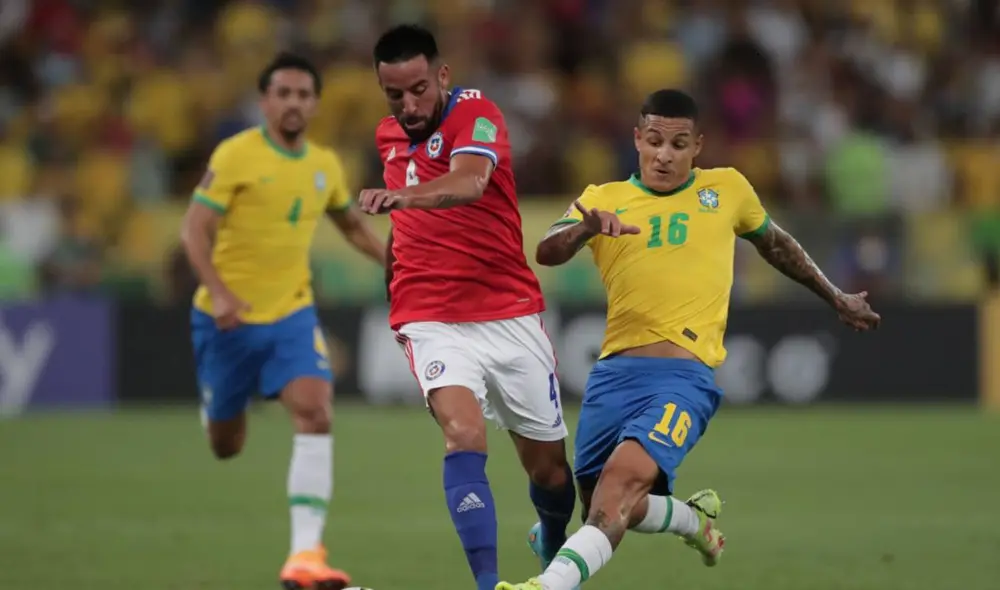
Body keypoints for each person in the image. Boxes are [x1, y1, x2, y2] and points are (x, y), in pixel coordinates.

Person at [497, 89, 881, 590]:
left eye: (678, 144)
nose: (665, 155)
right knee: (604, 507)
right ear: (637, 139)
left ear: (697, 146)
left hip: (683, 379)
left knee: (616, 494)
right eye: (655, 141)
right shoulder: (603, 198)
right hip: (613, 376)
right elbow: (547, 250)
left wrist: (836, 296)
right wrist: (582, 231)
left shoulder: (727, 189)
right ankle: (691, 520)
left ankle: (546, 586)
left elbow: (777, 244)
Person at [358, 24, 577, 590]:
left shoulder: (478, 113)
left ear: (442, 76)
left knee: (551, 474)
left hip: (507, 311)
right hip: (429, 315)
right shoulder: (387, 136)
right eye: (394, 95)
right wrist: (392, 274)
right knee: (463, 434)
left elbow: (471, 181)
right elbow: (406, 224)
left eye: (418, 90)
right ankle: (487, 584)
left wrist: (402, 198)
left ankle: (552, 551)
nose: (408, 106)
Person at [180, 52, 385, 590]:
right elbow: (193, 229)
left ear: (315, 104)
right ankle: (216, 408)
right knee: (226, 444)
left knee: (315, 412)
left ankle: (304, 557)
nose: (294, 103)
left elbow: (351, 225)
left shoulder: (325, 164)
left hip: (291, 314)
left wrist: (396, 264)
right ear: (265, 101)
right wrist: (219, 293)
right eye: (283, 94)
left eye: (303, 95)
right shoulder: (236, 155)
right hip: (225, 321)